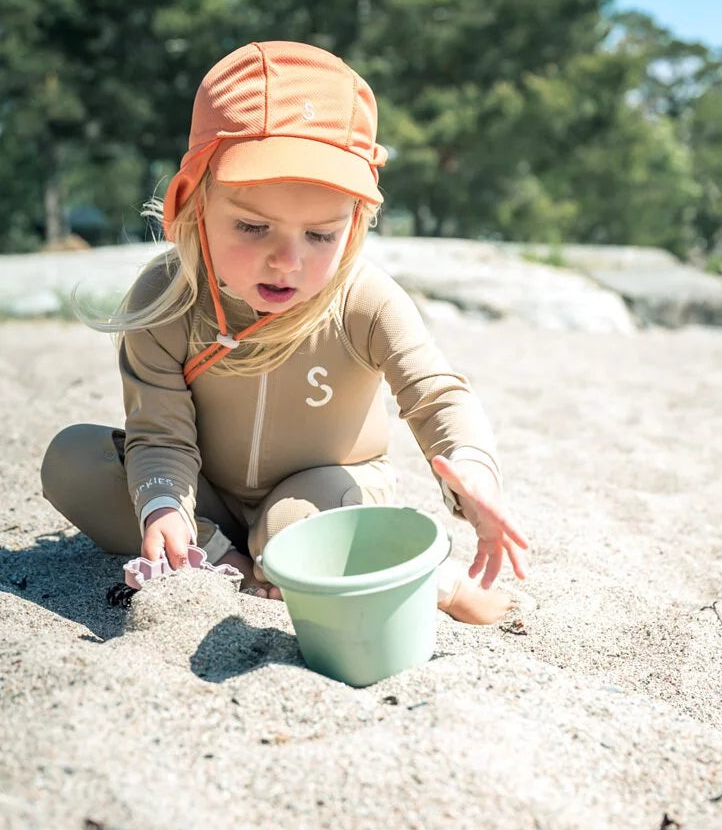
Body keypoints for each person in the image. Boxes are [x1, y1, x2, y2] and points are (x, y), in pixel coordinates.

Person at [41, 40, 529, 624]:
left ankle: (434, 580)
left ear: (354, 228)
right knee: (72, 460)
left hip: (323, 488)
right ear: (195, 204)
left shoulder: (363, 299)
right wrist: (165, 506)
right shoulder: (168, 299)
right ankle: (224, 559)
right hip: (211, 493)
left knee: (292, 535)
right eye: (252, 226)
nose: (286, 260)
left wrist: (471, 471)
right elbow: (161, 435)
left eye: (320, 235)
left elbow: (436, 394)